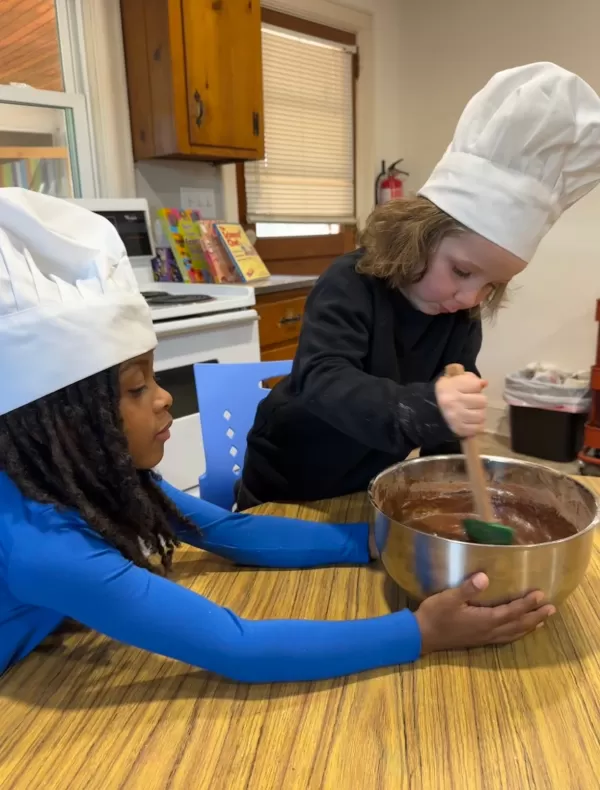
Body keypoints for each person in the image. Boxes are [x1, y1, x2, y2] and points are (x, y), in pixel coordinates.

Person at [0, 189, 554, 682]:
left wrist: (382, 543)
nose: (165, 396)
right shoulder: (45, 547)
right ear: (63, 423)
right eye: (137, 389)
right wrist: (421, 633)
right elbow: (236, 646)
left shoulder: (93, 483)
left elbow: (229, 533)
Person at [238, 62, 600, 508]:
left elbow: (447, 422)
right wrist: (429, 406)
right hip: (288, 480)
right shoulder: (351, 283)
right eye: (463, 271)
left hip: (367, 482)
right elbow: (323, 380)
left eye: (491, 285)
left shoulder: (459, 312)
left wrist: (448, 487)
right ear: (417, 236)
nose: (471, 298)